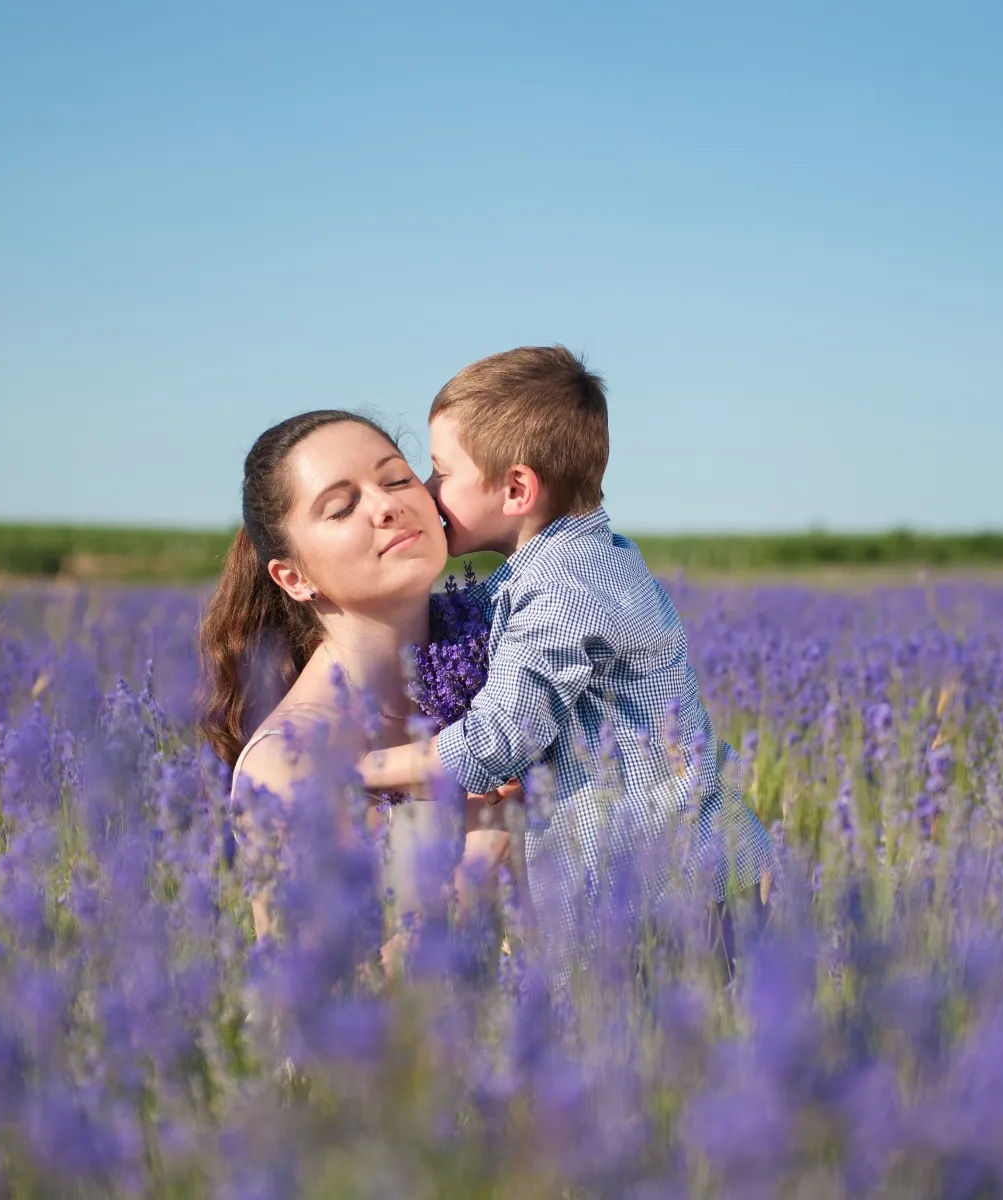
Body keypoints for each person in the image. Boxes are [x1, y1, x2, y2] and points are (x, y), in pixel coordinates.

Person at [358, 346, 773, 977]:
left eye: (441, 471)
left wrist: (361, 769)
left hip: (669, 897)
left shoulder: (567, 592)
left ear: (518, 488)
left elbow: (496, 740)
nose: (427, 487)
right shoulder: (578, 561)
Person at [197, 409, 509, 944]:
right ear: (294, 578)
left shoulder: (515, 667)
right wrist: (481, 867)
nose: (388, 506)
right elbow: (323, 994)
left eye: (396, 480)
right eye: (342, 509)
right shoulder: (291, 759)